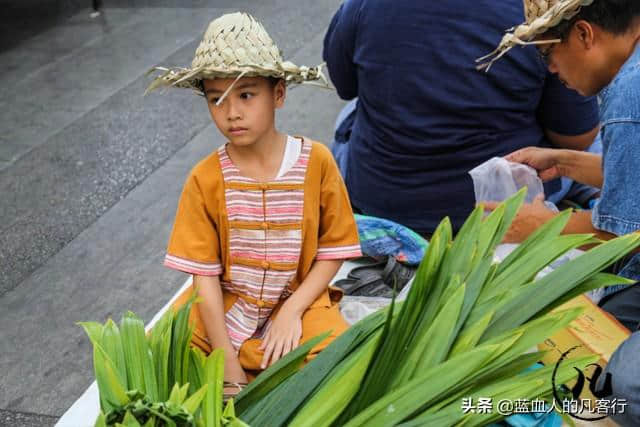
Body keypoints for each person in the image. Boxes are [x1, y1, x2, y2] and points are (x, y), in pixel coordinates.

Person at [146, 12, 362, 393]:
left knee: (338, 358)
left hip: (298, 300)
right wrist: (226, 358)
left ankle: (263, 358)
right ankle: (247, 360)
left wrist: (293, 312)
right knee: (164, 348)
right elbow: (205, 276)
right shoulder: (205, 177)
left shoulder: (316, 163)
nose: (232, 113)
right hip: (227, 303)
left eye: (246, 95)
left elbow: (333, 249)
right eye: (216, 99)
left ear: (278, 93)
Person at [479, 1, 640, 424]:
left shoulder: (629, 93)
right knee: (604, 319)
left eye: (547, 54)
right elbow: (632, 178)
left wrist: (542, 230)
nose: (550, 70)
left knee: (625, 384)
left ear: (585, 35)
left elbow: (620, 238)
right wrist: (567, 161)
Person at [323, 0, 600, 236]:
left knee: (350, 115)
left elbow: (344, 85)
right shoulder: (543, 12)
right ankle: (596, 201)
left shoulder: (364, 6)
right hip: (502, 209)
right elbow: (575, 136)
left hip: (384, 202)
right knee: (599, 135)